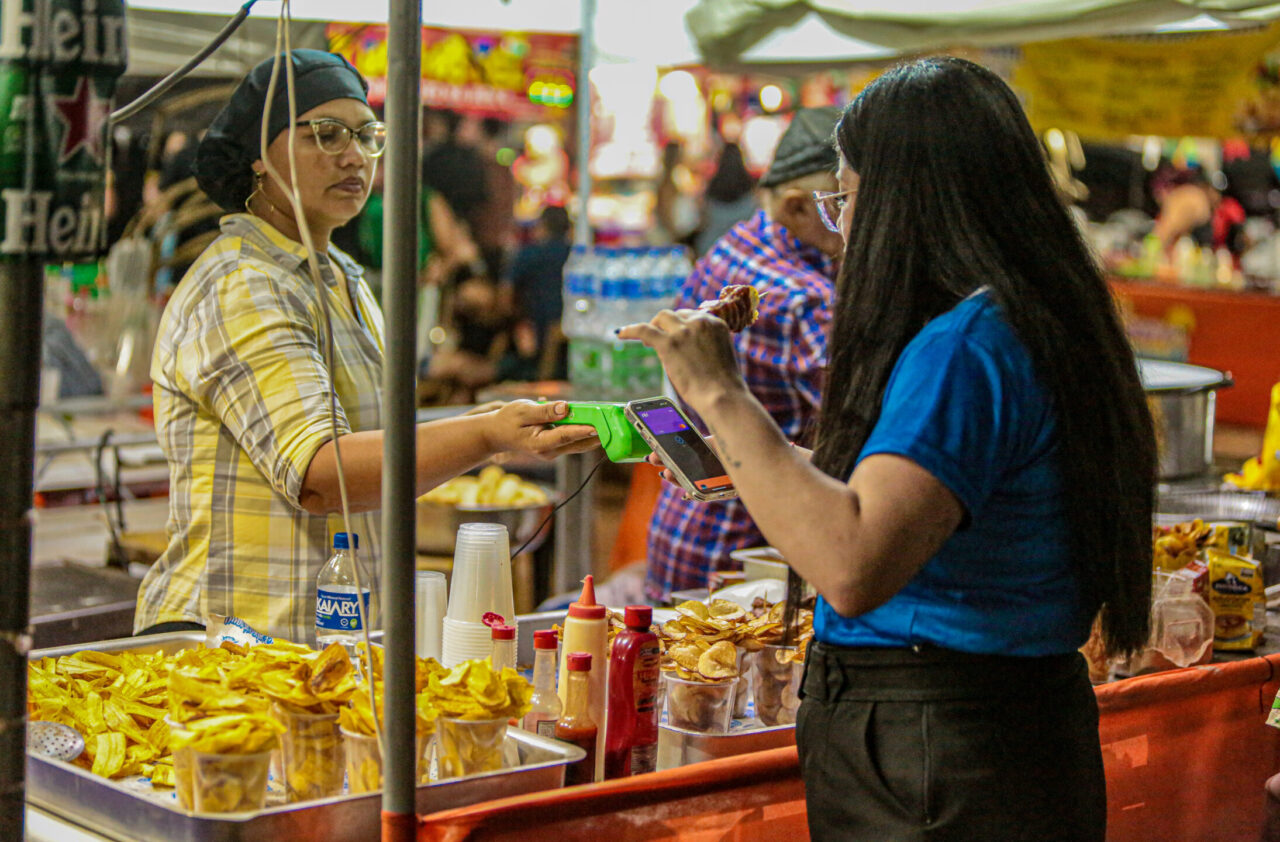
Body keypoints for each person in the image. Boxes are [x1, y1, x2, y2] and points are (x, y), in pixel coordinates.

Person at [621, 57, 1155, 841]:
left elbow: (854, 563)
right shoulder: (1036, 316)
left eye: (846, 200)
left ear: (905, 202)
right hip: (998, 728)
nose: (842, 234)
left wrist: (717, 391)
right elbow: (899, 508)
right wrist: (750, 458)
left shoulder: (968, 348)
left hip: (939, 742)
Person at [136, 50, 597, 641]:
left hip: (318, 642)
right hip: (234, 646)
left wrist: (486, 424)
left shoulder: (342, 280)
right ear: (259, 156)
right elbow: (322, 473)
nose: (353, 155)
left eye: (366, 135)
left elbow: (372, 442)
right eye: (326, 135)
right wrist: (486, 433)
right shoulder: (245, 284)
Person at [644, 107, 842, 602]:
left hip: (687, 523)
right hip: (741, 556)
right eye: (843, 201)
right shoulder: (804, 299)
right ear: (798, 207)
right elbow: (864, 436)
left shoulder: (739, 244)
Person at [504, 204, 572, 381]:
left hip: (536, 339)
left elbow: (505, 294)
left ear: (541, 226)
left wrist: (515, 321)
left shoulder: (529, 254)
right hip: (572, 340)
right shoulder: (577, 257)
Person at [694, 142, 757, 258]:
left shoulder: (710, 188)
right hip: (743, 251)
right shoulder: (751, 190)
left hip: (711, 249)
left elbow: (701, 220)